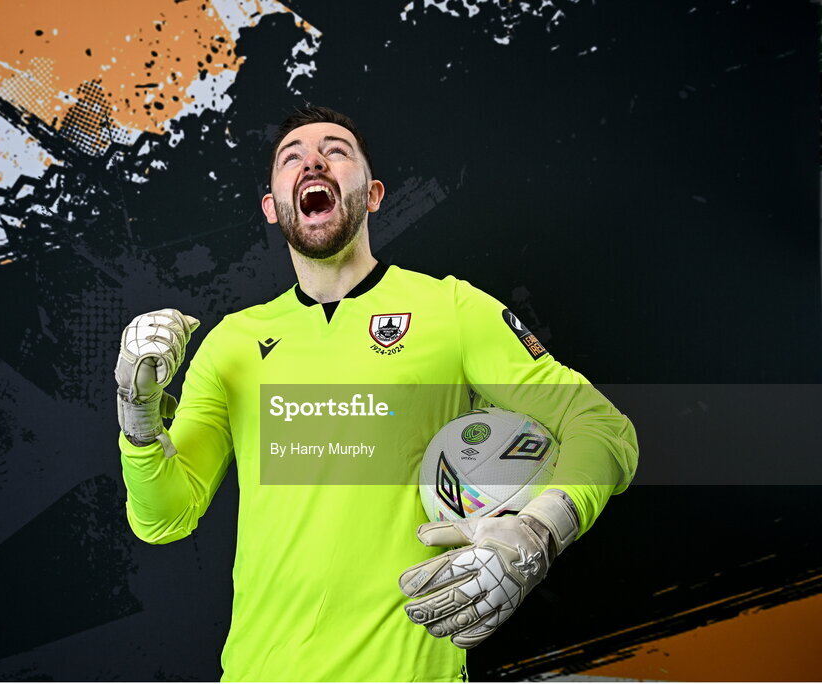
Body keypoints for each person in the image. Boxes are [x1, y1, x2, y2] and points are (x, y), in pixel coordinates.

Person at [114, 106, 638, 682]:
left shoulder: (451, 310)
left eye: (336, 150)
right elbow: (162, 518)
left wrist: (537, 530)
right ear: (271, 207)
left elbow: (603, 428)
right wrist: (138, 415)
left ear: (373, 194)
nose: (312, 158)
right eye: (292, 157)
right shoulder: (231, 344)